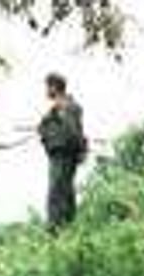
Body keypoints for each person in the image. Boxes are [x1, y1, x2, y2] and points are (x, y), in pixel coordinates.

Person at [38, 72, 86, 231]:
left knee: (57, 192)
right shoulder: (54, 110)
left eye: (47, 86)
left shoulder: (70, 107)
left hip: (65, 155)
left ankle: (55, 229)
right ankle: (67, 228)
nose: (46, 90)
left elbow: (74, 132)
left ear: (54, 87)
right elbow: (44, 129)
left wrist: (80, 151)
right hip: (56, 155)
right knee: (64, 190)